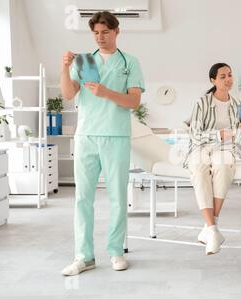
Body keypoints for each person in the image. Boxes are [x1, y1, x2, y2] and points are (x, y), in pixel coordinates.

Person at [60, 11, 145, 276]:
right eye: (96, 33)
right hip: (86, 136)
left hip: (116, 136)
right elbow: (67, 93)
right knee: (82, 199)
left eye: (105, 32)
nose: (100, 37)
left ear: (116, 32)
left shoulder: (130, 62)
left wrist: (105, 92)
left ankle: (116, 252)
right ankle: (84, 257)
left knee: (118, 198)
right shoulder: (85, 62)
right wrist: (64, 67)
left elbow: (134, 101)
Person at [183, 63, 241, 255]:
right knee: (199, 167)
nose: (228, 79)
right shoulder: (202, 102)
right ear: (213, 80)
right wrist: (220, 135)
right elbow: (194, 134)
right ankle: (213, 229)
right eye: (222, 76)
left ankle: (210, 229)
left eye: (230, 75)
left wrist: (238, 133)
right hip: (201, 146)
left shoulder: (237, 105)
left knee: (223, 165)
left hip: (228, 148)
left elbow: (238, 135)